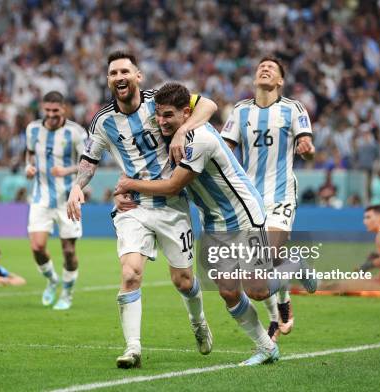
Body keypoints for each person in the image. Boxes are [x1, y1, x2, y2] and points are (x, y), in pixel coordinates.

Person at [114, 82, 317, 366]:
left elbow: (173, 186)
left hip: (243, 215)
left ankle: (292, 265)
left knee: (256, 290)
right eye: (158, 115)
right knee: (227, 291)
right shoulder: (173, 132)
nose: (161, 121)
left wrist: (127, 184)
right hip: (214, 222)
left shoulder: (199, 140)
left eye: (169, 115)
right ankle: (266, 348)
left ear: (186, 113)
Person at [67, 51, 217, 369]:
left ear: (138, 76)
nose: (119, 77)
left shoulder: (158, 102)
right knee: (130, 273)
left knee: (184, 282)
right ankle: (132, 347)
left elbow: (208, 105)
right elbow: (89, 160)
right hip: (133, 206)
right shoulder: (103, 121)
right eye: (113, 73)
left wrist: (179, 131)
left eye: (124, 71)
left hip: (173, 205)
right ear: (108, 80)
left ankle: (199, 322)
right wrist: (78, 185)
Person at [218, 56, 315, 341]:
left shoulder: (292, 108)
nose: (265, 68)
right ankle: (277, 312)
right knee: (260, 271)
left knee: (262, 271)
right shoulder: (240, 111)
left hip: (280, 195)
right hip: (249, 201)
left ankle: (294, 268)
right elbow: (224, 152)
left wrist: (306, 147)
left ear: (280, 81)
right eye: (261, 66)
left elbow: (307, 148)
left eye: (272, 68)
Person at [25, 91, 87, 310]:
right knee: (37, 247)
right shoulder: (32, 129)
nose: (51, 115)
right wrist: (29, 167)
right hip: (40, 197)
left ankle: (67, 293)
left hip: (67, 199)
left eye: (55, 110)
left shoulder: (76, 133)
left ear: (64, 109)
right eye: (47, 110)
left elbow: (87, 164)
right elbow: (30, 153)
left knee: (69, 251)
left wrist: (66, 170)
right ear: (43, 108)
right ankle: (52, 280)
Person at [319, 205, 380, 297]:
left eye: (368, 217)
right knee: (352, 281)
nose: (365, 221)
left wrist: (369, 264)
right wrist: (376, 257)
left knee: (343, 285)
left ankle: (312, 288)